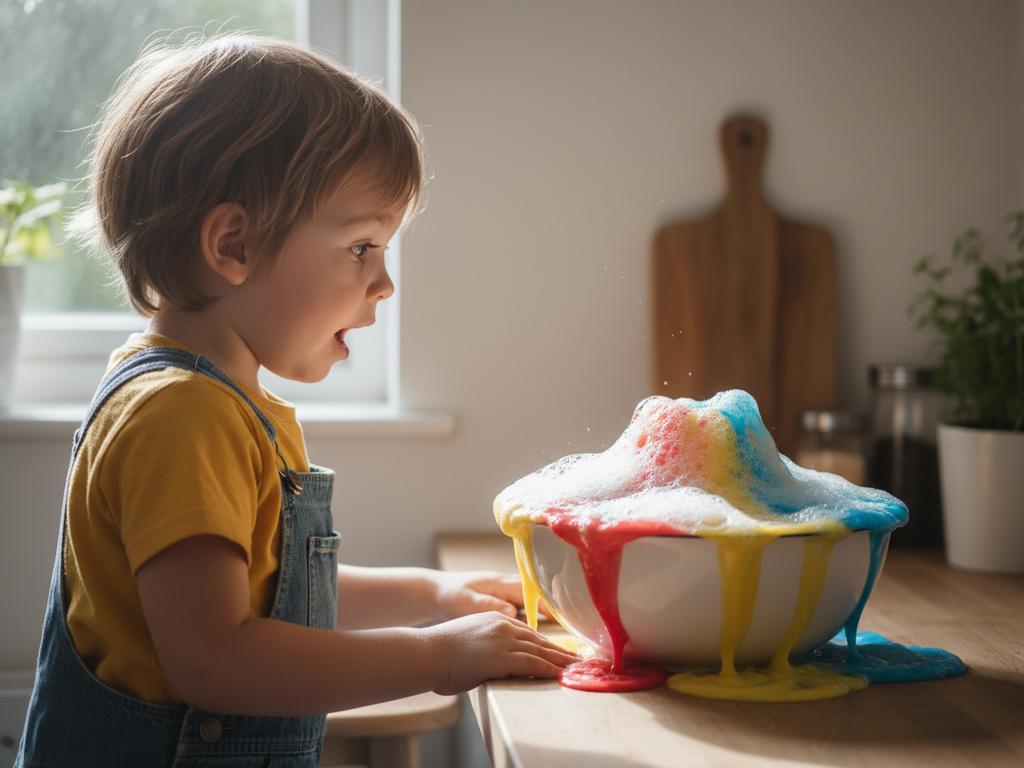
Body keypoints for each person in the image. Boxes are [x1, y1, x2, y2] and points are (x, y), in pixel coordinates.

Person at [16, 34, 575, 768]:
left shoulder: (213, 399)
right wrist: (436, 657)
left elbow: (269, 596)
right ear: (234, 246)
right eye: (361, 247)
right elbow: (217, 658)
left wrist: (431, 592)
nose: (383, 284)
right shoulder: (181, 415)